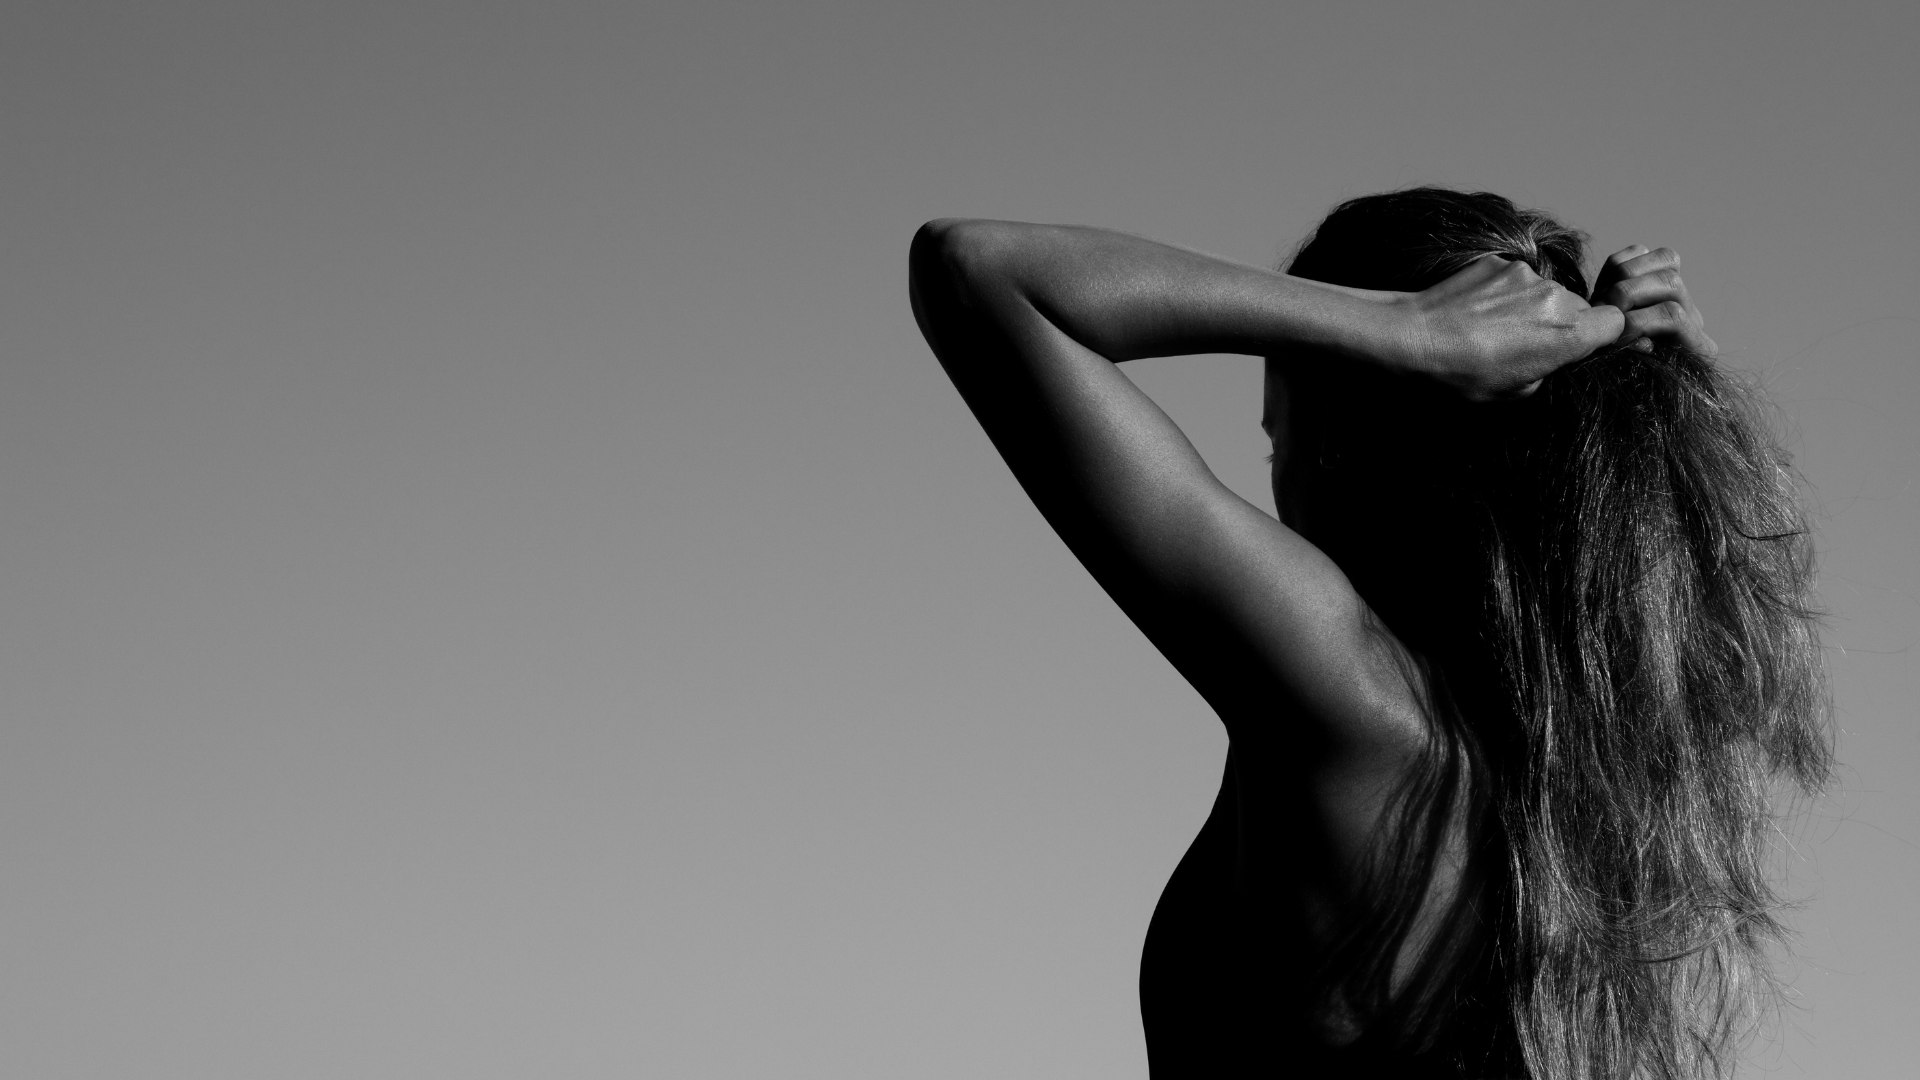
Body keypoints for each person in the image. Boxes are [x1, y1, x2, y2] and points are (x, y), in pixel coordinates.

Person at [907, 189, 1830, 1079]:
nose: (1275, 486)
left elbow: (980, 269)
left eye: (1278, 443)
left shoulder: (1358, 708)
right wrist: (1667, 381)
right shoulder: (1618, 773)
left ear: (1346, 445)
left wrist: (1395, 325)